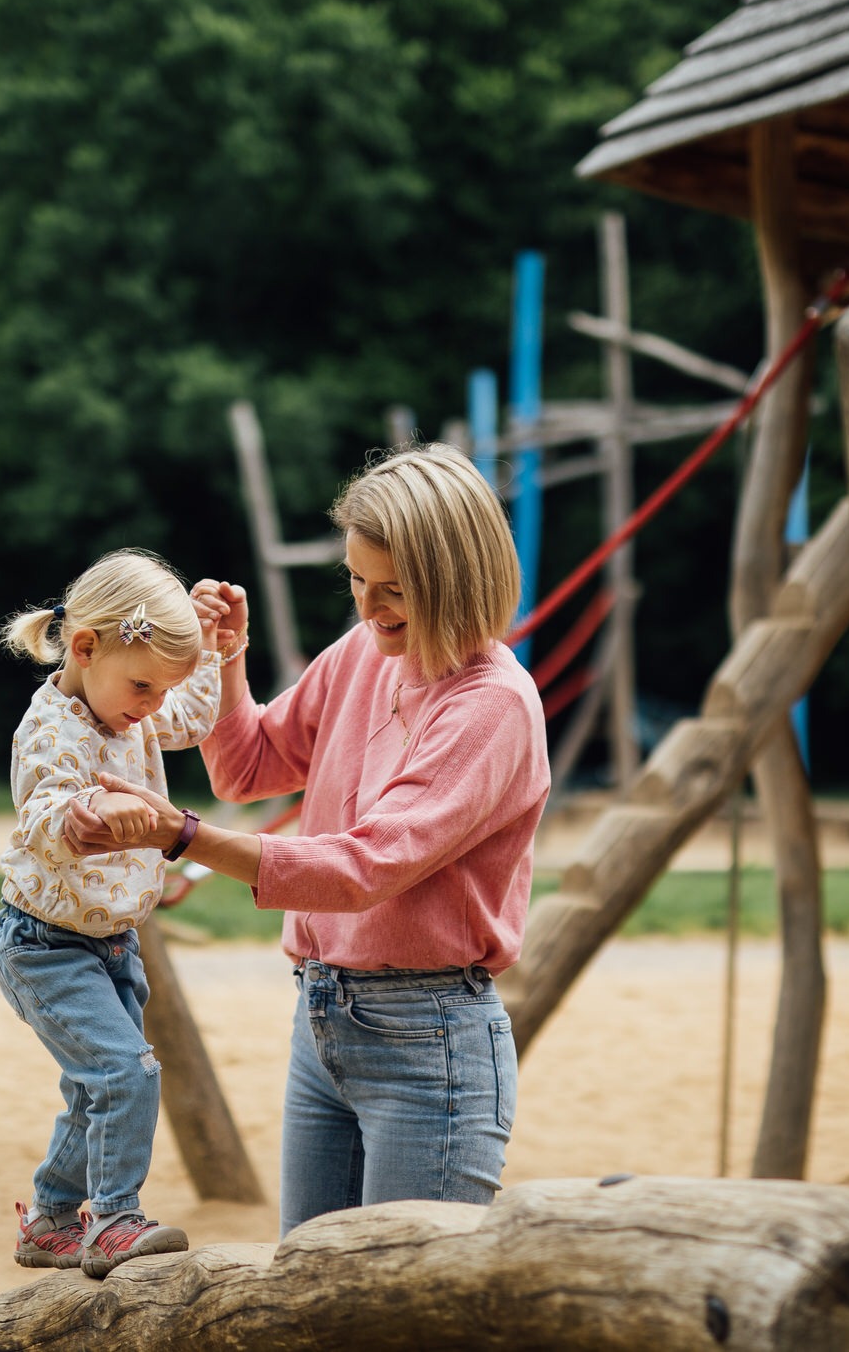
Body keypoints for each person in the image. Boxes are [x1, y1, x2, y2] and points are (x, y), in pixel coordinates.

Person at [64, 444, 551, 1236]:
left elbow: (363, 869)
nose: (369, 606)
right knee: (306, 1290)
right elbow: (247, 764)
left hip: (428, 1044)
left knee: (397, 1313)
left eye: (395, 590)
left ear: (459, 580)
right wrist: (227, 659)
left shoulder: (492, 707)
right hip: (321, 1015)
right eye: (358, 580)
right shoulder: (363, 654)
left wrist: (180, 835)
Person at [0, 548, 243, 1277]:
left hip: (111, 944)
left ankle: (48, 1218)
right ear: (83, 646)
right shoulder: (52, 728)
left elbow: (193, 714)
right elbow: (39, 808)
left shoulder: (129, 705)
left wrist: (221, 645)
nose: (153, 705)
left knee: (94, 1086)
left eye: (158, 689)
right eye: (143, 685)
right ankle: (113, 1218)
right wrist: (87, 812)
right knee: (127, 1073)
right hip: (45, 945)